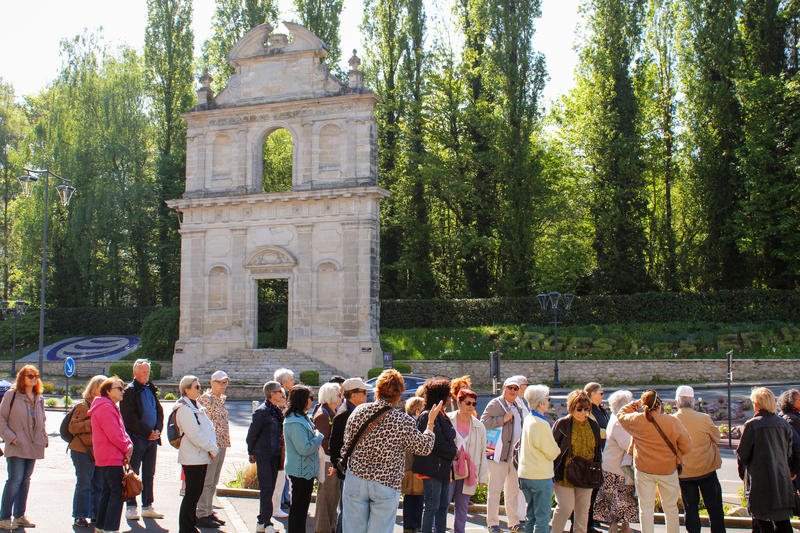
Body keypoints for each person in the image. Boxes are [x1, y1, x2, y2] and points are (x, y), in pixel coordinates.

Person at [340, 369, 440, 533]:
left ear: (377, 389)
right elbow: (424, 447)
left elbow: (347, 444)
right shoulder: (402, 420)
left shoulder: (358, 412)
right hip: (386, 481)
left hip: (356, 477)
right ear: (399, 393)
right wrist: (430, 425)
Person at [617, 390, 692, 533]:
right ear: (660, 405)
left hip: (644, 469)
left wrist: (636, 404)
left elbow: (620, 414)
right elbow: (687, 446)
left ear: (644, 405)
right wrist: (676, 453)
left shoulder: (636, 420)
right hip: (667, 469)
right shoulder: (672, 421)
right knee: (671, 509)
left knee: (645, 509)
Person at [737, 387, 796, 533]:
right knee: (783, 523)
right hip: (781, 480)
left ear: (756, 404)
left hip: (760, 483)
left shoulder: (752, 425)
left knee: (763, 524)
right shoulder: (783, 424)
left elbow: (743, 456)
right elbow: (788, 453)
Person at [0, 365, 47, 530]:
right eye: (30, 376)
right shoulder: (12, 395)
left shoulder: (38, 397)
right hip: (17, 445)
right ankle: (4, 517)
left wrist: (44, 437)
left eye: (36, 376)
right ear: (22, 377)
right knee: (15, 480)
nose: (34, 378)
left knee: (25, 481)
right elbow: (1, 419)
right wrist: (11, 438)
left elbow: (42, 421)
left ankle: (19, 516)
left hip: (33, 446)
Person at [672, 386, 725, 533]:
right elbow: (717, 437)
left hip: (685, 472)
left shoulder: (672, 421)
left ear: (677, 402)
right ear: (693, 402)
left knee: (691, 510)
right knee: (714, 509)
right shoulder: (704, 418)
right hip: (706, 469)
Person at [119, 358, 165, 521]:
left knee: (149, 474)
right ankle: (131, 507)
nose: (146, 374)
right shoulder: (130, 391)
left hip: (152, 440)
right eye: (143, 372)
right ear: (135, 373)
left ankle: (147, 505)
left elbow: (159, 411)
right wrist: (147, 432)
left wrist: (158, 429)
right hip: (137, 438)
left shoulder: (150, 388)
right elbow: (129, 418)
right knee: (133, 474)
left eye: (147, 371)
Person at [551, 391, 603, 533]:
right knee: (565, 507)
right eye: (579, 409)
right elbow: (552, 449)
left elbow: (598, 450)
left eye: (586, 409)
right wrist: (551, 474)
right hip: (564, 474)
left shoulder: (593, 425)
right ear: (572, 407)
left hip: (586, 474)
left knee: (582, 512)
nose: (583, 412)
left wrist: (597, 470)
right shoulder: (562, 424)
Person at [480, 377, 526, 532]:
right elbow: (484, 422)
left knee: (512, 491)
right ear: (504, 389)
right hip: (498, 456)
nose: (513, 391)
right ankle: (492, 523)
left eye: (516, 388)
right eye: (510, 388)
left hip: (513, 458)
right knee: (494, 491)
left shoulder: (518, 407)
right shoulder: (495, 404)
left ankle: (513, 522)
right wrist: (502, 419)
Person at [175, 375, 219, 533]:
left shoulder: (195, 406)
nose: (200, 389)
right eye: (196, 387)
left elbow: (207, 428)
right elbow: (194, 434)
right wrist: (211, 448)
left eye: (199, 386)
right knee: (191, 494)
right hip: (193, 457)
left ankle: (190, 524)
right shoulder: (184, 409)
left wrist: (211, 448)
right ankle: (186, 528)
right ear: (186, 390)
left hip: (201, 456)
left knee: (195, 492)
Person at [89, 376, 133, 533]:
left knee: (108, 493)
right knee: (117, 493)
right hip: (111, 456)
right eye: (118, 389)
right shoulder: (106, 407)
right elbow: (114, 434)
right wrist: (127, 447)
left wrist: (127, 443)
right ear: (108, 391)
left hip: (107, 456)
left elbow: (120, 431)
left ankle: (101, 527)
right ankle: (110, 528)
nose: (122, 391)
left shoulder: (107, 406)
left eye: (122, 388)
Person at [413, 379, 457, 533]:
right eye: (448, 395)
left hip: (442, 467)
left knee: (443, 506)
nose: (450, 398)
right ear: (441, 397)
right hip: (432, 468)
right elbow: (436, 444)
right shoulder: (428, 416)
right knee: (432, 505)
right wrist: (454, 453)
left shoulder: (441, 414)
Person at [329, 377, 371, 533]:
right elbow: (335, 444)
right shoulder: (345, 413)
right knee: (347, 512)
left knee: (351, 511)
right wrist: (340, 467)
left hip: (353, 469)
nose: (367, 396)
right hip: (349, 470)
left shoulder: (352, 410)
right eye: (364, 392)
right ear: (353, 394)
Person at [594, 390, 638, 533]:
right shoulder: (619, 422)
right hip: (616, 469)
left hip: (613, 467)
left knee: (620, 502)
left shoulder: (617, 418)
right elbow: (628, 445)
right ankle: (617, 529)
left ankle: (624, 528)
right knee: (619, 502)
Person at [517, 385, 559, 533]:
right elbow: (552, 451)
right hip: (540, 475)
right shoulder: (541, 424)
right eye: (548, 399)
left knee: (531, 516)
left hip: (525, 474)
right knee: (542, 518)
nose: (549, 402)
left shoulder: (529, 418)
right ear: (540, 403)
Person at [247, 381, 287, 533]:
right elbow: (252, 434)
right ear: (272, 394)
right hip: (264, 454)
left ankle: (262, 520)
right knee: (266, 488)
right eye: (280, 392)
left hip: (275, 454)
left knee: (269, 489)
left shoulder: (277, 410)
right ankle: (266, 523)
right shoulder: (262, 411)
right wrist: (251, 452)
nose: (282, 394)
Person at [283, 385, 324, 533]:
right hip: (300, 471)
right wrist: (318, 436)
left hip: (305, 471)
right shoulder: (294, 422)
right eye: (310, 398)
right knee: (298, 510)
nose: (311, 401)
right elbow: (304, 448)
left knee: (301, 509)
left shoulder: (301, 417)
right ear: (302, 400)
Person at [68, 374, 107, 528]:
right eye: (102, 388)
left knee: (98, 484)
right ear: (94, 389)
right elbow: (72, 427)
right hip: (82, 451)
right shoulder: (83, 406)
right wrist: (91, 423)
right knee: (84, 483)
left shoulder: (105, 406)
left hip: (99, 451)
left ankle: (95, 515)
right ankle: (80, 515)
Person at [448, 389, 487, 533]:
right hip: (449, 469)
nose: (471, 407)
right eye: (468, 403)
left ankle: (460, 531)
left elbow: (483, 453)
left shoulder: (479, 426)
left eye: (474, 404)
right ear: (458, 402)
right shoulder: (448, 420)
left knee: (462, 506)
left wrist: (482, 478)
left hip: (469, 471)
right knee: (443, 503)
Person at [196, 371, 231, 528]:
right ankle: (201, 513)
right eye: (219, 382)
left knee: (214, 481)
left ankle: (209, 511)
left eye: (225, 382)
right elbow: (201, 423)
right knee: (207, 480)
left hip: (222, 444)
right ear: (211, 383)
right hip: (211, 446)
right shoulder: (206, 399)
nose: (223, 385)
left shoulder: (221, 399)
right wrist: (208, 446)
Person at [313, 382, 342, 533]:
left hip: (331, 460)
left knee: (333, 497)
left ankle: (330, 527)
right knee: (326, 497)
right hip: (326, 461)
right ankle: (323, 528)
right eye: (338, 394)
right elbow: (322, 441)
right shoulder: (324, 415)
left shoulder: (331, 412)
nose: (341, 397)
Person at [584, 382, 608, 533]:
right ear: (591, 394)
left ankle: (592, 519)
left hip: (603, 452)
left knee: (596, 487)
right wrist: (608, 433)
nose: (603, 396)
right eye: (600, 393)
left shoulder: (601, 409)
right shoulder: (588, 411)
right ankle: (588, 522)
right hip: (593, 453)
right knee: (591, 489)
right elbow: (592, 431)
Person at [274, 368, 295, 518]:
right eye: (291, 380)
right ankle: (280, 500)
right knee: (281, 471)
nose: (293, 382)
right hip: (280, 439)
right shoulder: (280, 397)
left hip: (286, 437)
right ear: (283, 383)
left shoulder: (288, 395)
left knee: (285, 470)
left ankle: (285, 498)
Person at [403, 397, 426, 533]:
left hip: (409, 466)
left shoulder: (407, 421)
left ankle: (410, 526)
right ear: (417, 410)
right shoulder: (414, 423)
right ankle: (414, 526)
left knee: (410, 497)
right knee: (417, 497)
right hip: (415, 465)